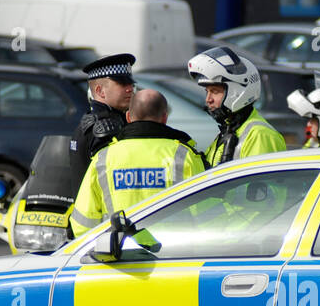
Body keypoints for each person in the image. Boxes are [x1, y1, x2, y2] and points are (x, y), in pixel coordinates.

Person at [68, 88, 207, 236]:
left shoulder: (104, 158)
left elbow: (81, 223)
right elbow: (206, 215)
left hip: (119, 254)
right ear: (165, 118)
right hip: (171, 254)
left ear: (128, 117)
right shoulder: (184, 156)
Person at [187, 46, 286, 166]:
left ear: (238, 91)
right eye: (207, 92)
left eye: (215, 91)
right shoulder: (228, 131)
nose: (208, 99)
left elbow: (261, 183)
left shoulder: (260, 136)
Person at [69, 53, 136, 181]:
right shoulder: (105, 128)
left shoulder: (93, 120)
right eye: (122, 84)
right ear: (100, 91)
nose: (130, 89)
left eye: (130, 84)